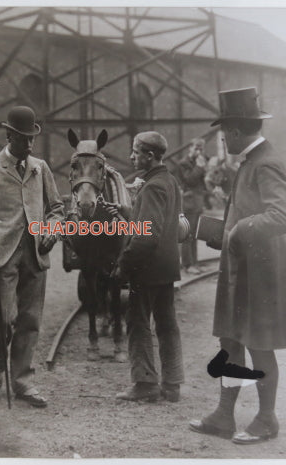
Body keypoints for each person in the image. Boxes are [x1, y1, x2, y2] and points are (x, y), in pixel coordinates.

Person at [189, 87, 286, 444]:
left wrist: (238, 230)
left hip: (260, 276)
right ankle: (224, 415)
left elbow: (282, 216)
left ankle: (267, 419)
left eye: (224, 135)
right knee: (231, 341)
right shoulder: (252, 162)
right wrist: (220, 232)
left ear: (235, 131)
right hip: (242, 271)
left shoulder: (266, 162)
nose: (223, 140)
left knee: (259, 344)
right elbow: (251, 213)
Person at [0, 106, 64, 408]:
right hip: (1, 254)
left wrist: (52, 230)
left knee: (30, 319)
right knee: (4, 318)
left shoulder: (40, 168)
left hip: (35, 253)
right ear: (9, 136)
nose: (29, 145)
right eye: (23, 138)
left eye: (32, 138)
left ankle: (22, 381)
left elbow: (56, 209)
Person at [112, 131, 184, 403]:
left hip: (147, 269)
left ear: (150, 155)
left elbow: (146, 236)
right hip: (167, 267)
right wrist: (126, 212)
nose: (131, 156)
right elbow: (161, 224)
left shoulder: (152, 186)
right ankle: (173, 384)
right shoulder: (170, 181)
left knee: (137, 322)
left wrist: (124, 265)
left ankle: (145, 383)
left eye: (135, 151)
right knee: (167, 324)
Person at [173, 137, 207, 275]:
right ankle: (187, 265)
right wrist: (199, 167)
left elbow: (202, 182)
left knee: (195, 234)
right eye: (196, 148)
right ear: (190, 148)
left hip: (197, 203)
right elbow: (190, 180)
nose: (198, 151)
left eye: (201, 149)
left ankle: (194, 263)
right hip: (188, 203)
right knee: (188, 234)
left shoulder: (197, 162)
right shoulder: (183, 163)